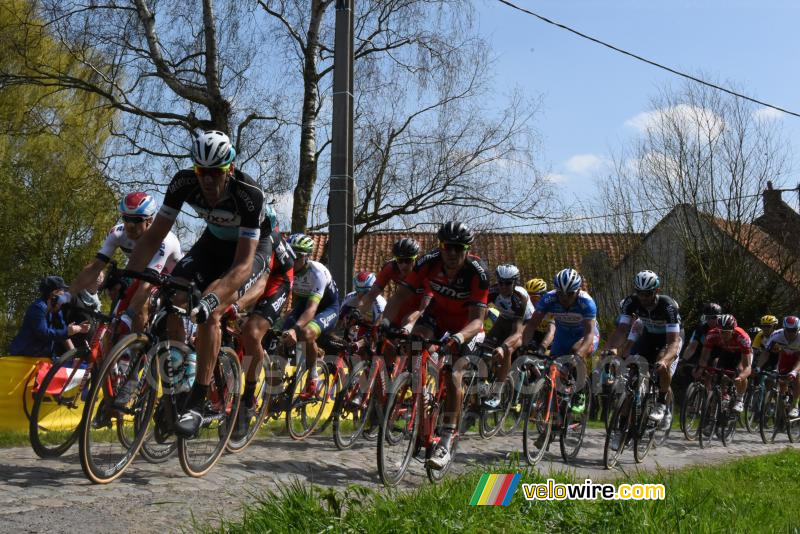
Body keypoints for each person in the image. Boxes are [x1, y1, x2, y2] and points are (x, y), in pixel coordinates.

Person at [125, 130, 273, 437]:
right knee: (172, 298)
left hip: (250, 251)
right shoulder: (183, 183)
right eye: (200, 171)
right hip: (213, 243)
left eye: (214, 173)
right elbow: (153, 236)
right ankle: (178, 388)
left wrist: (211, 300)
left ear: (229, 170)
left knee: (211, 310)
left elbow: (243, 264)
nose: (206, 180)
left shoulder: (248, 194)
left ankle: (198, 397)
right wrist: (128, 275)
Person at [382, 221, 489, 470]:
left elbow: (477, 320)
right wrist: (386, 321)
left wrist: (459, 338)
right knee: (415, 340)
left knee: (454, 373)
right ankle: (417, 388)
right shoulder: (428, 262)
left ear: (466, 249)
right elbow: (400, 296)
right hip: (437, 316)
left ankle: (447, 438)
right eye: (446, 246)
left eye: (457, 248)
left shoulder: (477, 273)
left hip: (466, 327)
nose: (451, 253)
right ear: (440, 246)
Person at [68, 192, 182, 332]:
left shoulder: (163, 239)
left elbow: (147, 285)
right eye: (126, 218)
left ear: (150, 220)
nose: (130, 225)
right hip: (146, 276)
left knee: (139, 309)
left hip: (175, 283)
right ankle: (122, 350)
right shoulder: (117, 233)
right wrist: (68, 295)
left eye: (136, 220)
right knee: (115, 319)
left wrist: (129, 315)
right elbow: (95, 267)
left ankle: (135, 349)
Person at [606, 270, 682, 423]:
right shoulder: (631, 302)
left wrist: (665, 361)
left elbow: (673, 342)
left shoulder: (668, 306)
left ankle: (661, 402)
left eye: (647, 294)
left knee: (662, 364)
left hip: (669, 338)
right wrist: (612, 348)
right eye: (639, 293)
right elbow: (621, 330)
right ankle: (625, 420)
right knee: (633, 363)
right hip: (649, 335)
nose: (643, 297)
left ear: (656, 291)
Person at [281, 233, 339, 400]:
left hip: (326, 308)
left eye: (296, 257)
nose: (291, 261)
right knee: (281, 338)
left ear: (306, 257)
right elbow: (295, 303)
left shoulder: (317, 273)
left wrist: (295, 329)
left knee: (305, 333)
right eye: (289, 255)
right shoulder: (288, 270)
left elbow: (311, 309)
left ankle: (312, 378)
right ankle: (274, 392)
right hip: (304, 305)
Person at [484, 264, 532, 408]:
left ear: (515, 283)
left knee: (507, 350)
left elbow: (517, 332)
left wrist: (502, 347)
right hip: (504, 319)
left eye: (508, 283)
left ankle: (497, 394)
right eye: (501, 283)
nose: (503, 287)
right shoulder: (492, 291)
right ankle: (486, 379)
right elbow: (479, 311)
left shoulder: (520, 298)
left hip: (524, 324)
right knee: (484, 347)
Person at [9, 276, 90, 358]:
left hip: (44, 357)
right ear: (54, 294)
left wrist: (74, 356)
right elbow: (44, 334)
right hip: (24, 357)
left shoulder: (57, 310)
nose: (65, 295)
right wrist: (68, 331)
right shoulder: (37, 308)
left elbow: (63, 333)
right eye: (62, 291)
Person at [693, 314, 753, 413]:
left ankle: (739, 399)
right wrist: (700, 369)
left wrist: (741, 377)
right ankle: (723, 397)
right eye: (721, 332)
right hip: (727, 351)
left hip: (742, 353)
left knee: (740, 371)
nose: (723, 335)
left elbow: (747, 367)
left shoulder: (742, 337)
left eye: (726, 332)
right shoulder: (713, 334)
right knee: (720, 373)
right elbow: (704, 356)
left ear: (733, 330)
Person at [764, 316, 800, 417]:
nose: (790, 333)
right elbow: (766, 352)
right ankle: (778, 406)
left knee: (797, 376)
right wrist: (758, 367)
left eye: (793, 330)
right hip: (786, 356)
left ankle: (795, 405)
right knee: (779, 381)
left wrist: (794, 371)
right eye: (788, 330)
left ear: (798, 329)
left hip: (798, 359)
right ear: (784, 328)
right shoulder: (776, 335)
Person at [524, 278, 555, 352]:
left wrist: (542, 348)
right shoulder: (526, 307)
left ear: (543, 297)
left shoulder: (551, 307)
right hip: (536, 334)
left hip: (552, 337)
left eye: (535, 299)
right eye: (528, 298)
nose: (531, 302)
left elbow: (551, 331)